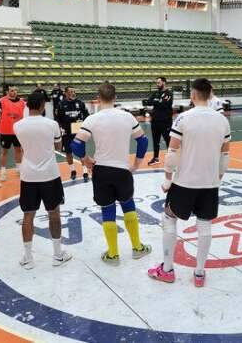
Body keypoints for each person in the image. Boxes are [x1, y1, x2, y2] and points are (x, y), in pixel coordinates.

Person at [148, 78, 230, 287]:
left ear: (193, 95)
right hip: (209, 185)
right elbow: (224, 156)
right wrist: (217, 178)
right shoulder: (222, 121)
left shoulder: (183, 118)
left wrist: (167, 178)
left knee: (169, 219)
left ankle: (167, 269)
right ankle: (200, 273)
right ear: (210, 95)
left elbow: (173, 152)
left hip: (184, 183)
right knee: (205, 226)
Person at [72, 83, 152, 265]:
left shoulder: (91, 120)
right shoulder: (127, 117)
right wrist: (136, 164)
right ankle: (138, 248)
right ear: (115, 98)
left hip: (101, 170)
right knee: (128, 205)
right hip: (123, 170)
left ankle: (113, 255)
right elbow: (143, 141)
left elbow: (76, 144)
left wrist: (86, 159)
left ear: (98, 99)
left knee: (107, 209)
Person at [14, 92, 72, 269]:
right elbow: (58, 147)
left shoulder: (18, 126)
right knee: (54, 213)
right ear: (41, 106)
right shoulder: (52, 124)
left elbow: (22, 147)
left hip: (28, 175)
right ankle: (57, 254)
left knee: (28, 215)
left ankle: (28, 257)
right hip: (49, 174)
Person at [57, 86, 90, 182]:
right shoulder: (61, 104)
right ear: (66, 93)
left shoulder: (80, 103)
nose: (73, 93)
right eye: (70, 92)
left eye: (74, 91)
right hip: (66, 133)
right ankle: (73, 171)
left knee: (81, 152)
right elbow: (58, 118)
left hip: (78, 132)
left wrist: (83, 121)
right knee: (68, 153)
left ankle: (85, 173)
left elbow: (87, 115)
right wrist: (61, 128)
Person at [0, 85, 25, 181]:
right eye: (11, 90)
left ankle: (19, 169)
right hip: (5, 131)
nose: (13, 92)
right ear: (7, 92)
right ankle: (3, 172)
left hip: (18, 131)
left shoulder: (22, 102)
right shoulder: (1, 101)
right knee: (4, 152)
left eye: (15, 90)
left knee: (18, 150)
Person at [145, 77, 173, 166]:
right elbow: (148, 102)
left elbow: (163, 104)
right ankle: (156, 158)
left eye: (159, 83)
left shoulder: (169, 93)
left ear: (164, 83)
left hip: (165, 121)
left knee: (168, 140)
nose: (157, 84)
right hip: (155, 121)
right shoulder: (156, 93)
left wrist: (155, 101)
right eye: (156, 83)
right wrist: (157, 101)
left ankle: (171, 159)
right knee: (155, 141)